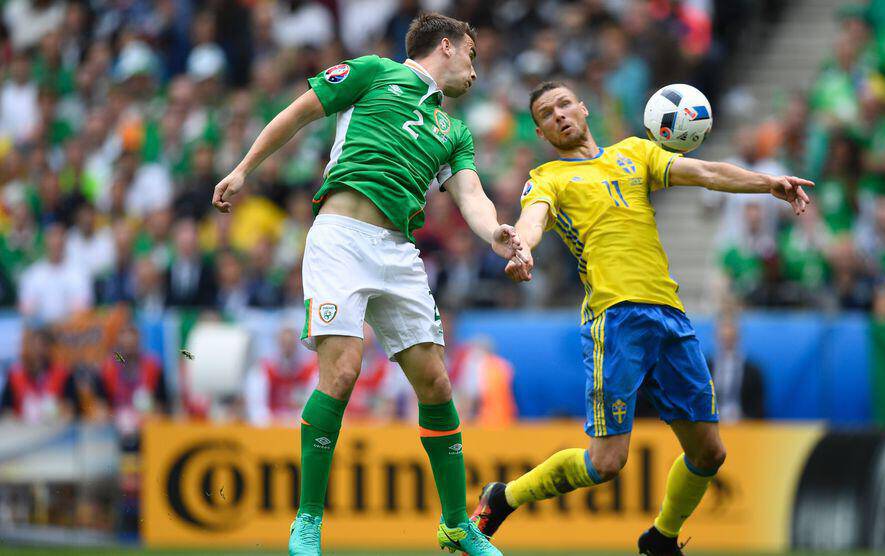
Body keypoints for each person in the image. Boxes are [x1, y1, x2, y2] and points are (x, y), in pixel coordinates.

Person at [211, 13, 528, 556]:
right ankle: (307, 522)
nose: (476, 71)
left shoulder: (454, 131)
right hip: (342, 238)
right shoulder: (373, 72)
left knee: (436, 384)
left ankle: (456, 526)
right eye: (472, 56)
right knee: (344, 370)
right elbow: (297, 113)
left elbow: (471, 195)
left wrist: (495, 233)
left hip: (399, 253)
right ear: (446, 46)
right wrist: (244, 169)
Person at [470, 82, 812, 556]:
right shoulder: (546, 176)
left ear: (584, 108)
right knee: (606, 462)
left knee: (709, 452)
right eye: (547, 114)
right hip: (615, 319)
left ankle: (662, 537)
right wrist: (522, 245)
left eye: (565, 104)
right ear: (542, 132)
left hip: (670, 315)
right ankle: (503, 498)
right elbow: (534, 216)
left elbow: (706, 171)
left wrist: (767, 183)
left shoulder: (635, 152)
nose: (560, 115)